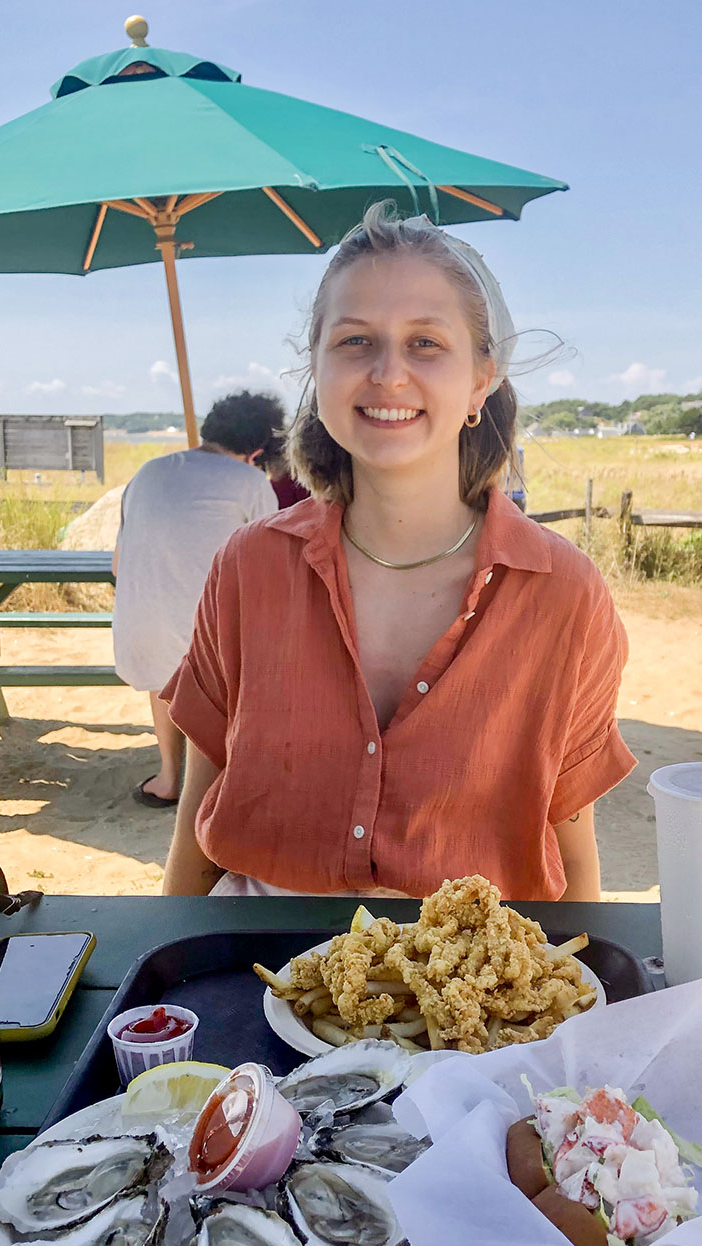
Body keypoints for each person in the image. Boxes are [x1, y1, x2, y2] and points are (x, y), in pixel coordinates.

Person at [160, 203, 635, 899]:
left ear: (482, 380)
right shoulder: (247, 569)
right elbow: (197, 834)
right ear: (315, 367)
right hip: (251, 970)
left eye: (425, 344)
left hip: (477, 985)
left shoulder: (563, 592)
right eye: (355, 341)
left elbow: (573, 859)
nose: (386, 374)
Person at [112, 392, 280, 806]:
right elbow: (271, 568)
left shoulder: (149, 471)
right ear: (256, 451)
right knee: (240, 640)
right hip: (206, 651)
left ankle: (169, 776)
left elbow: (117, 566)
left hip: (138, 639)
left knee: (164, 666)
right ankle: (223, 779)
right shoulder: (251, 482)